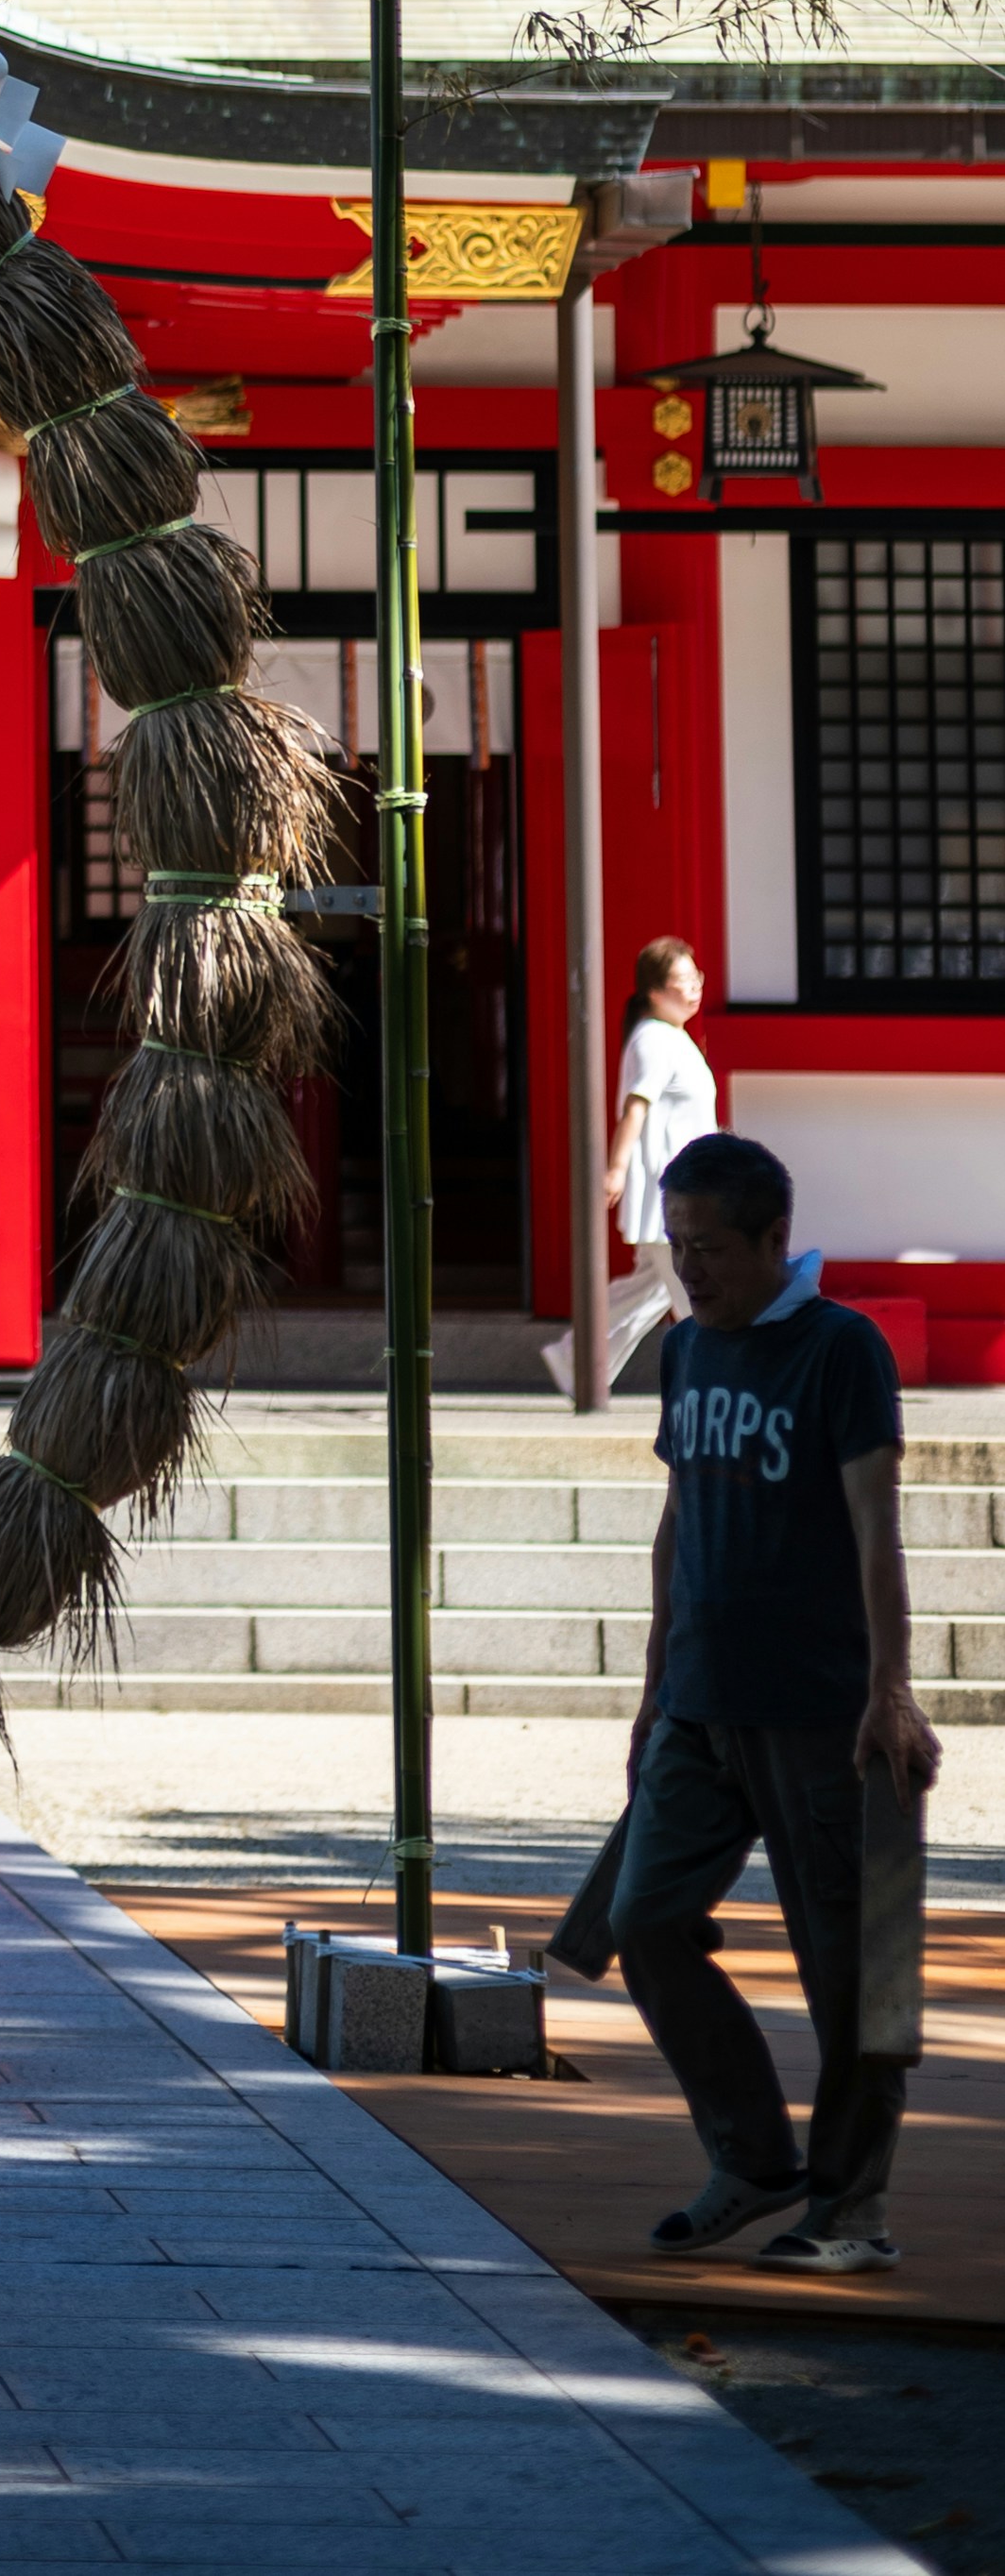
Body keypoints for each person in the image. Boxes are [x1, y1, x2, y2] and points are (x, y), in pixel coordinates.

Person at [612, 1127, 941, 2273]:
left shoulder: (838, 1349)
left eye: (709, 1247)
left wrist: (888, 1687)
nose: (688, 1268)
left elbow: (874, 1525)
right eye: (674, 1244)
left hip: (820, 1706)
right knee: (641, 1922)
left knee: (855, 1967)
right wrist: (651, 1690)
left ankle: (850, 2208)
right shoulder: (684, 1349)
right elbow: (676, 1521)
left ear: (773, 1241)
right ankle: (751, 2156)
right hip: (700, 1699)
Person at [547, 937, 715, 1401]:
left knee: (652, 1290)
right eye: (683, 980)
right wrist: (616, 1168)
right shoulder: (654, 1039)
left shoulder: (672, 1037)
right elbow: (635, 1109)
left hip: (685, 1188)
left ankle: (575, 1358)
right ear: (655, 991)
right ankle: (716, 1377)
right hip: (669, 1188)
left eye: (696, 978)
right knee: (692, 1290)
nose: (695, 988)